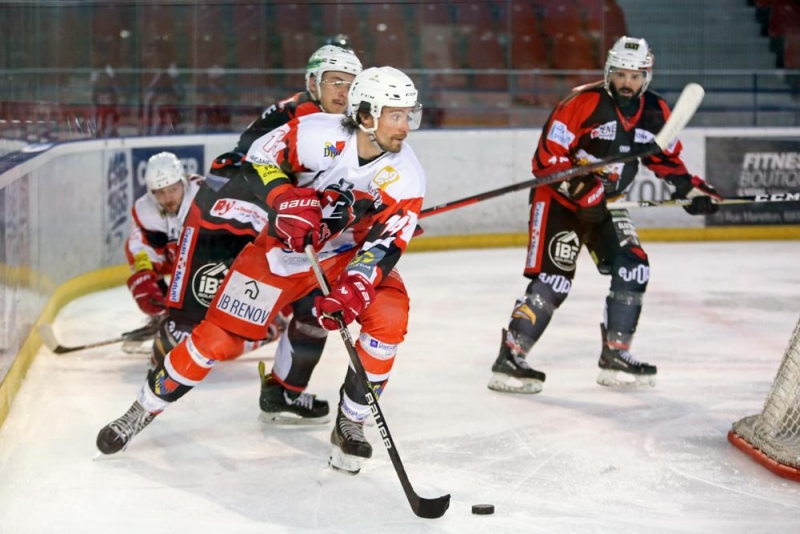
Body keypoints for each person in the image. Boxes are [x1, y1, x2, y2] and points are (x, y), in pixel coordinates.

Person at [97, 66, 425, 476]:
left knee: (389, 317)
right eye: (396, 115)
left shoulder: (407, 176)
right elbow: (257, 157)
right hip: (280, 255)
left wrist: (354, 289)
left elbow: (384, 245)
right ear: (365, 115)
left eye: (409, 114)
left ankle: (351, 422)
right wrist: (284, 197)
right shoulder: (316, 135)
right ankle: (141, 409)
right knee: (215, 340)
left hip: (344, 255)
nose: (406, 127)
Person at [487, 36, 722, 394]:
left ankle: (616, 354)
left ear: (647, 76)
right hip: (559, 203)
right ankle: (511, 357)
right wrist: (584, 189)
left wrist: (691, 190)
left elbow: (665, 159)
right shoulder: (582, 102)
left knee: (634, 265)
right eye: (621, 74)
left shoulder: (657, 111)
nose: (627, 82)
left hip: (610, 205)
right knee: (555, 281)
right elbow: (547, 159)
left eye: (635, 76)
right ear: (608, 72)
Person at [144, 45, 362, 423]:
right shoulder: (309, 116)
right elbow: (268, 174)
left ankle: (283, 393)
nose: (344, 92)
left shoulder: (330, 119)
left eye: (351, 83)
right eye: (335, 81)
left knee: (313, 308)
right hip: (223, 216)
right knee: (189, 323)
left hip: (266, 223)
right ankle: (158, 386)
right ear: (314, 83)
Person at [123, 152, 202, 351]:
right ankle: (164, 313)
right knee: (142, 261)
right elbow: (140, 250)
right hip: (174, 258)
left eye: (173, 189)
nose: (167, 198)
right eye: (160, 192)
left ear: (183, 181)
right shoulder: (144, 210)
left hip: (206, 262)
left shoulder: (205, 196)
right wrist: (144, 281)